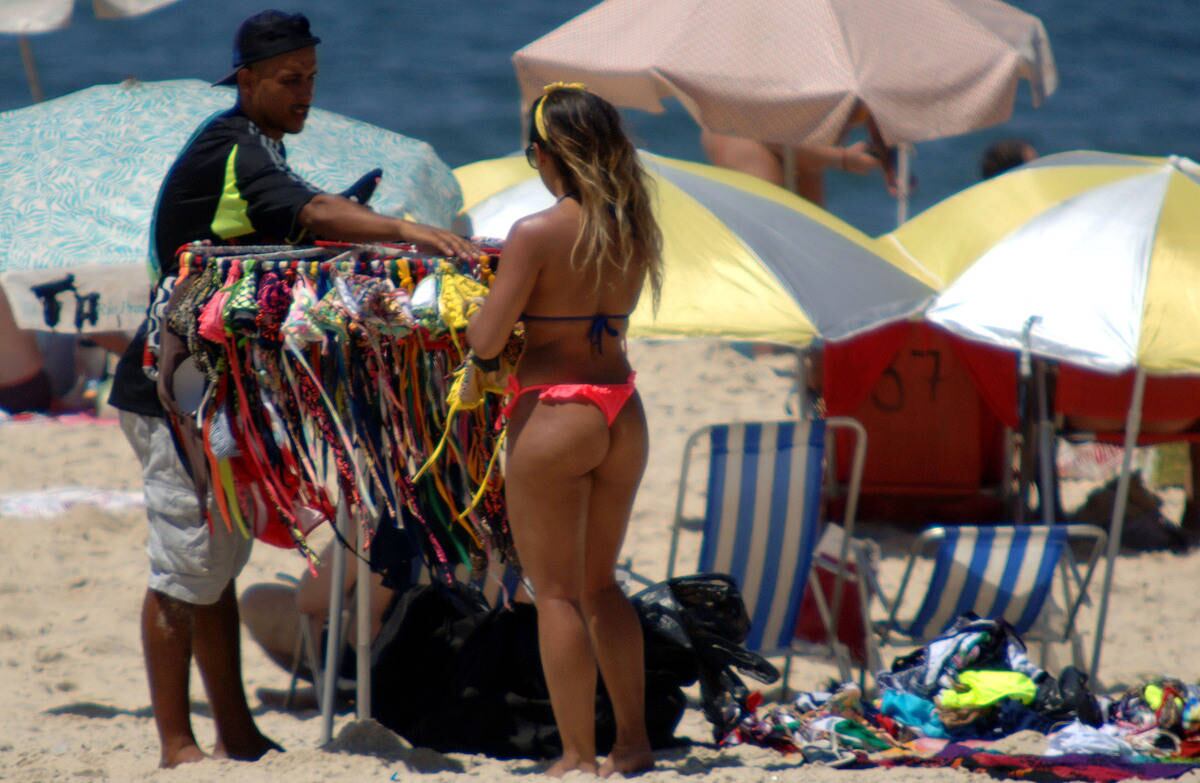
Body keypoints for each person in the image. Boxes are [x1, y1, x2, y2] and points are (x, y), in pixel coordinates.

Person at [106, 9, 478, 768]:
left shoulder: (262, 147)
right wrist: (404, 230)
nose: (304, 92)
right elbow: (308, 212)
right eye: (288, 80)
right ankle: (178, 743)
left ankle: (235, 731)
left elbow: (298, 229)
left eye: (311, 77)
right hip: (170, 391)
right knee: (184, 566)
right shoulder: (231, 145)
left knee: (218, 562)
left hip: (218, 390)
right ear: (246, 80)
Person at [466, 83, 663, 777]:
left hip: (555, 411)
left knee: (553, 592)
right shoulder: (635, 226)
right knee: (601, 585)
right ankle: (633, 742)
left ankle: (577, 753)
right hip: (621, 405)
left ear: (548, 154)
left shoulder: (537, 233)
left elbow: (487, 341)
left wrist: (477, 306)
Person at [700, 129, 884, 206]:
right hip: (743, 130)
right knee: (768, 214)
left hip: (783, 128)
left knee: (811, 230)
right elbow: (760, 129)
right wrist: (841, 158)